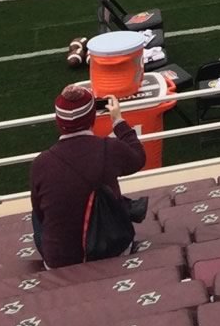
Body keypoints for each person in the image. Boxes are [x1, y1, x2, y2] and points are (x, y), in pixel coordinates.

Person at [29, 84, 145, 268]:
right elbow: (138, 158)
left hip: (59, 261)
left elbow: (40, 213)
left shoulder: (40, 163)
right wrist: (118, 121)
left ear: (59, 122)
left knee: (37, 212)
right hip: (110, 250)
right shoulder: (109, 149)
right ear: (93, 117)